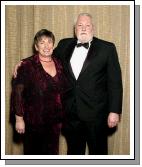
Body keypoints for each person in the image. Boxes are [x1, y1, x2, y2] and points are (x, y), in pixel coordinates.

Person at [13, 13, 123, 155]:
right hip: (70, 115)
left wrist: (114, 111)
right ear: (75, 28)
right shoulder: (64, 45)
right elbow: (45, 54)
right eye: (80, 25)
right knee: (74, 153)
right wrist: (23, 62)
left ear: (93, 28)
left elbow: (115, 82)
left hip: (96, 115)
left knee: (99, 153)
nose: (83, 28)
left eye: (87, 25)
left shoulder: (107, 48)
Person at [10, 29, 67, 155]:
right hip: (33, 122)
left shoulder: (59, 63)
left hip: (54, 123)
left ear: (53, 45)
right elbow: (17, 94)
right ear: (36, 46)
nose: (46, 46)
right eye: (42, 43)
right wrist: (19, 119)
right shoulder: (26, 65)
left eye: (49, 42)